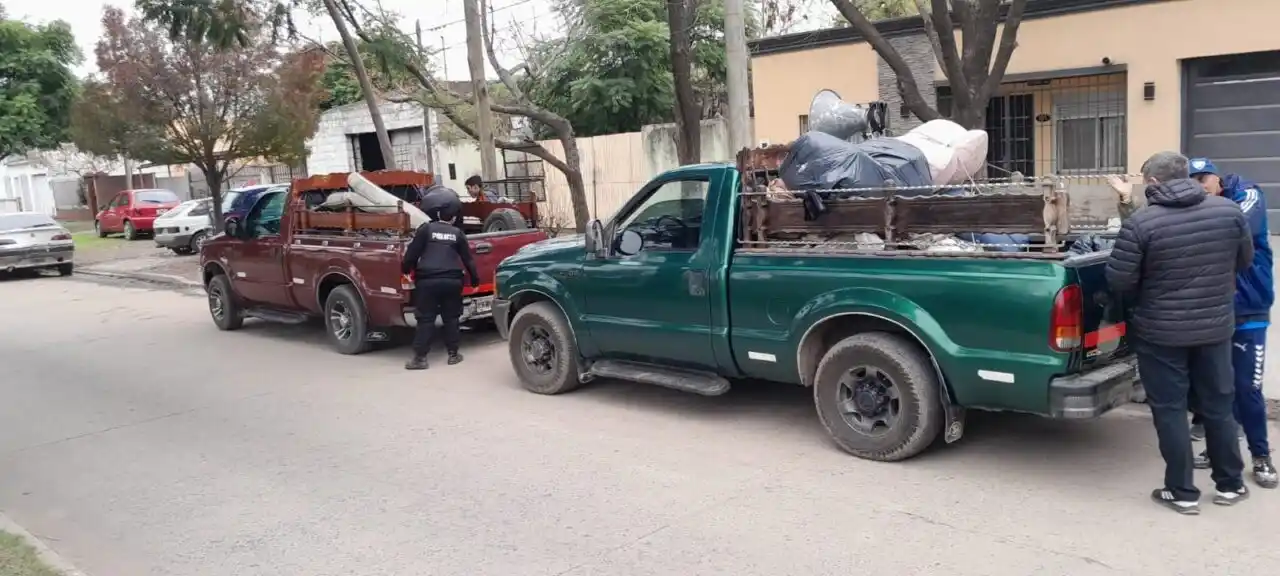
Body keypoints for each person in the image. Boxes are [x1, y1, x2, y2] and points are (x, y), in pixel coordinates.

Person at [1106, 151, 1254, 514]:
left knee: (1170, 410)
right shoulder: (1228, 211)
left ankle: (1183, 492)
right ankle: (1230, 484)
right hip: (1215, 329)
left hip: (1161, 335)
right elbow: (1244, 260)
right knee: (1218, 405)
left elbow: (1119, 281)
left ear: (1154, 182)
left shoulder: (1142, 223)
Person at [1180, 158, 1277, 488]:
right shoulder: (1201, 208)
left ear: (1217, 178)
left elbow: (1234, 228)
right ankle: (1219, 449)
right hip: (1214, 311)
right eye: (1192, 181)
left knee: (1247, 388)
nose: (1200, 185)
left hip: (1249, 311)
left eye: (1204, 178)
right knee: (1217, 386)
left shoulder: (1248, 195)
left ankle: (1261, 456)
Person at [401, 186, 480, 370]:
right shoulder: (458, 234)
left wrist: (405, 270)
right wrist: (475, 280)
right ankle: (453, 355)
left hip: (428, 281)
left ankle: (420, 359)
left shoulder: (426, 230)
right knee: (451, 318)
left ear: (437, 214)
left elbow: (412, 254)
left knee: (426, 319)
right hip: (452, 281)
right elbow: (468, 259)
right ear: (453, 218)